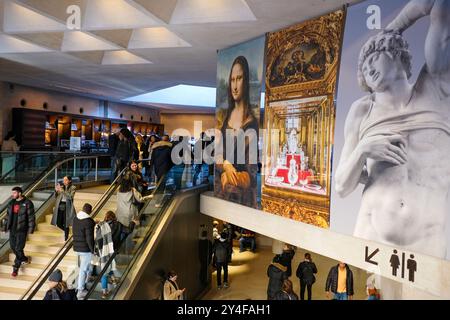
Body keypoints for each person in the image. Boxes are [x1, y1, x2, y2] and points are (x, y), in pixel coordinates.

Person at [334, 0, 450, 299]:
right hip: (373, 236)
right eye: (363, 66)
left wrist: (392, 29)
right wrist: (363, 148)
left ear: (396, 52)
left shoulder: (436, 86)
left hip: (428, 241)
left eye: (374, 56)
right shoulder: (363, 111)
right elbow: (341, 186)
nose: (367, 66)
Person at [215, 56, 259, 208]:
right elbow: (217, 155)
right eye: (232, 79)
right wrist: (226, 165)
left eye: (239, 78)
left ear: (245, 81)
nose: (234, 85)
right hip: (222, 195)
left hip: (242, 200)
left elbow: (251, 176)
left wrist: (228, 177)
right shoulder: (225, 117)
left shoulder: (251, 124)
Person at [116, 174, 153, 252]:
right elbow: (140, 199)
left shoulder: (119, 190)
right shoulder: (132, 190)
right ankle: (128, 250)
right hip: (130, 214)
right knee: (130, 232)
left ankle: (121, 250)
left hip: (120, 214)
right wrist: (149, 197)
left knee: (122, 232)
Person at [6, 186, 35, 277]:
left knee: (18, 248)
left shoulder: (27, 203)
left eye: (14, 193)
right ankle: (24, 258)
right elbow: (7, 216)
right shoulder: (11, 203)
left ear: (20, 193)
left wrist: (31, 229)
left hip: (22, 229)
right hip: (12, 229)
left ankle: (15, 268)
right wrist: (4, 227)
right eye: (12, 193)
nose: (13, 194)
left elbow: (31, 217)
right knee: (13, 247)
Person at [95, 211, 120, 299]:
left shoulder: (100, 226)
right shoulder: (116, 224)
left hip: (102, 252)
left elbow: (97, 239)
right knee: (106, 269)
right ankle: (108, 286)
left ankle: (107, 288)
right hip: (111, 250)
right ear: (113, 217)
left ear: (106, 217)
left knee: (104, 269)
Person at [72, 203, 95, 299]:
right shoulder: (88, 221)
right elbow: (89, 238)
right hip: (85, 249)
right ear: (90, 211)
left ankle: (88, 278)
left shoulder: (75, 218)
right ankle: (80, 289)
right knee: (83, 269)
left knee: (85, 265)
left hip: (77, 247)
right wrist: (92, 249)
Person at [51, 176, 76, 241]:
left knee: (66, 222)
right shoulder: (61, 186)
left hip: (67, 206)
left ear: (69, 180)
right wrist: (56, 191)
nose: (63, 181)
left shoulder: (73, 187)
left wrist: (62, 191)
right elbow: (55, 197)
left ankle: (66, 237)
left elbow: (70, 197)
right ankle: (66, 232)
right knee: (58, 223)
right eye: (63, 180)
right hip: (59, 205)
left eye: (65, 180)